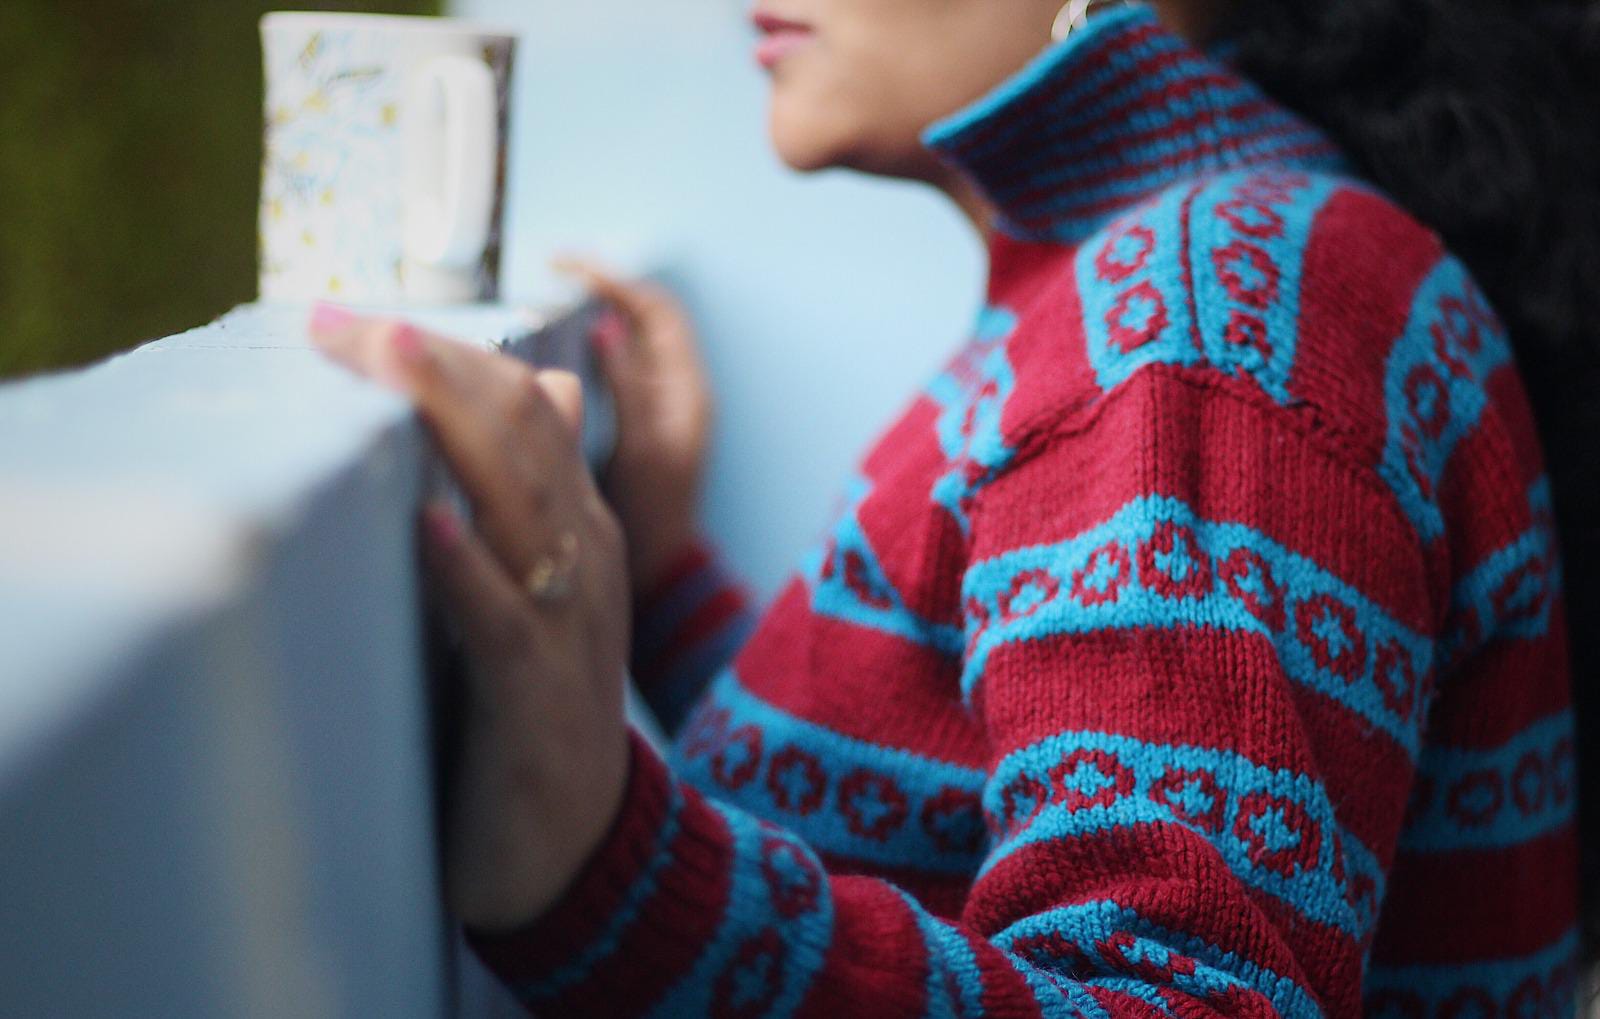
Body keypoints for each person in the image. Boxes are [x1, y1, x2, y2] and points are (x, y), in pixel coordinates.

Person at [307, 0, 1600, 1012]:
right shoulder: (1177, 272)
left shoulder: (1203, 317)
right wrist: (664, 586)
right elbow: (966, 789)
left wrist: (613, 876)